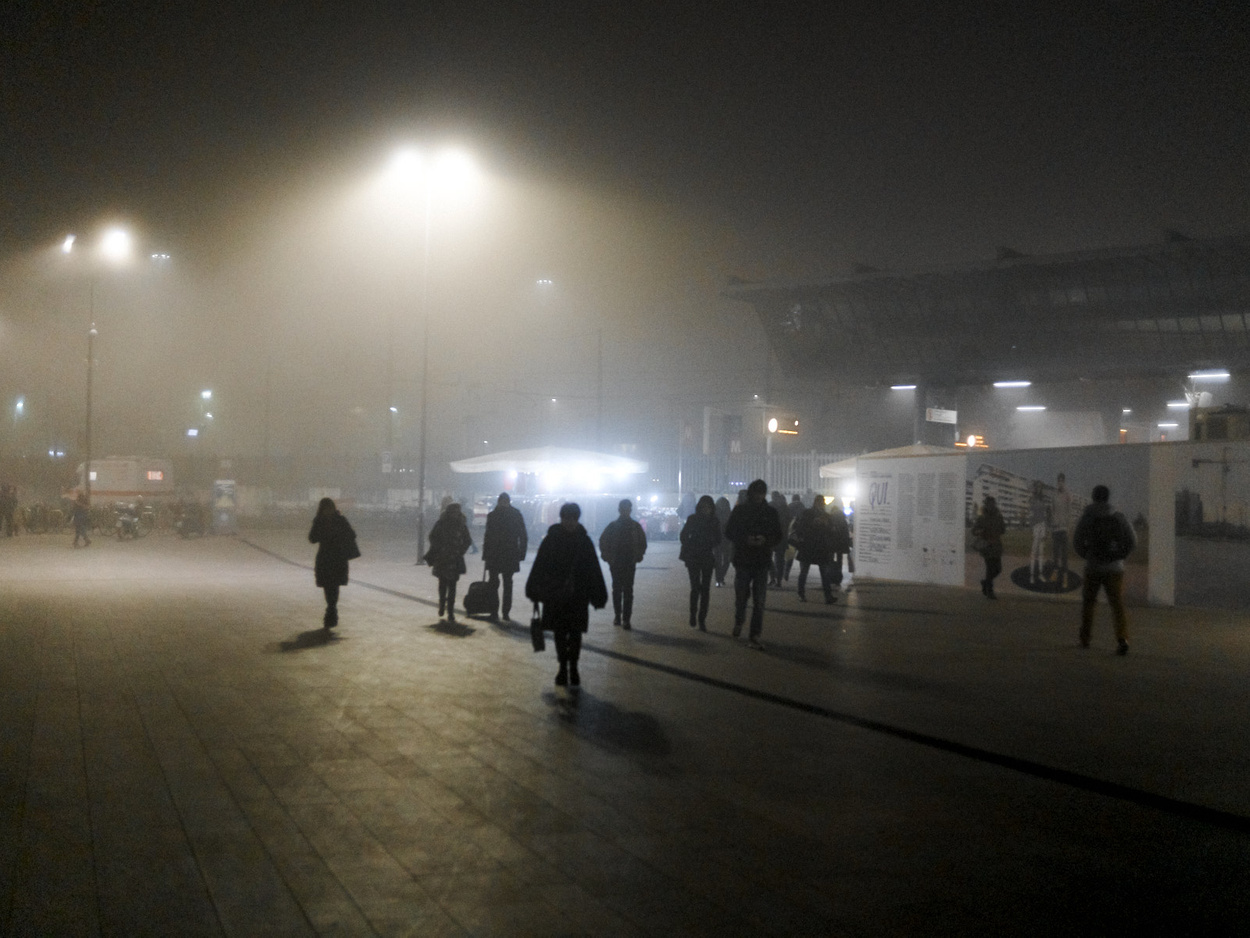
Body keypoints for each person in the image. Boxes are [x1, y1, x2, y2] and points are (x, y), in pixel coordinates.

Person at [526, 502, 608, 687]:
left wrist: (598, 594)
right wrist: (534, 589)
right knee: (561, 633)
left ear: (577, 519)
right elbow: (540, 566)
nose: (570, 522)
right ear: (562, 518)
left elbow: (593, 570)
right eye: (567, 518)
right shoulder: (558, 540)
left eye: (572, 519)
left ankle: (572, 667)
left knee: (575, 633)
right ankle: (564, 667)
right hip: (558, 595)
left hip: (575, 595)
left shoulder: (572, 540)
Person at [1073, 484, 1137, 655]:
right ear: (1108, 498)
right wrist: (1120, 556)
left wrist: (1087, 555)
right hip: (1115, 568)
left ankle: (1085, 639)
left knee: (1089, 604)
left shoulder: (1087, 517)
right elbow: (1132, 540)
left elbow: (1077, 541)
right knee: (1117, 605)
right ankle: (1122, 639)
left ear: (1093, 497)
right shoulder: (1119, 516)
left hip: (1093, 567)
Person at [724, 479, 784, 649]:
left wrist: (765, 540)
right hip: (744, 560)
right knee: (741, 596)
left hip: (761, 560)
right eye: (756, 493)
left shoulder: (770, 512)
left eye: (762, 493)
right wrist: (746, 539)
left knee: (759, 600)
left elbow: (778, 535)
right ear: (751, 493)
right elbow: (729, 531)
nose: (759, 496)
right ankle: (739, 620)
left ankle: (755, 634)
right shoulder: (740, 510)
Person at [308, 497, 358, 628]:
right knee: (327, 585)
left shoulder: (340, 520)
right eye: (325, 508)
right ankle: (331, 609)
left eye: (329, 508)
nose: (327, 511)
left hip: (336, 557)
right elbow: (312, 538)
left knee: (334, 585)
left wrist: (336, 535)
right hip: (326, 558)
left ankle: (331, 609)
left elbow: (352, 534)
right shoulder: (320, 521)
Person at [599, 498, 647, 629]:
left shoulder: (632, 526)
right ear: (620, 510)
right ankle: (619, 616)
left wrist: (638, 555)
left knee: (625, 590)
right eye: (624, 509)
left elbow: (643, 543)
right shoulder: (616, 526)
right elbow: (603, 541)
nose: (626, 511)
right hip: (617, 562)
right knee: (620, 590)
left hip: (627, 562)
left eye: (627, 509)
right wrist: (607, 557)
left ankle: (624, 618)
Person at [481, 492, 528, 622]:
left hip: (495, 554)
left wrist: (486, 554)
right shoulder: (516, 514)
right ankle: (504, 612)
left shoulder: (493, 515)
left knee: (494, 583)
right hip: (509, 553)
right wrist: (521, 553)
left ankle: (495, 611)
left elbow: (488, 536)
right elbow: (523, 535)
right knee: (507, 583)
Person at [425, 502, 474, 623]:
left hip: (454, 558)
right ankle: (442, 604)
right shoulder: (441, 524)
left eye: (457, 512)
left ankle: (450, 611)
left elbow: (467, 540)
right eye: (453, 511)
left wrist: (460, 551)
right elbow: (432, 537)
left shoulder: (461, 525)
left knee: (452, 586)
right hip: (443, 557)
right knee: (442, 583)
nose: (455, 514)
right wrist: (440, 547)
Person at [679, 495, 721, 629]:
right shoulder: (699, 520)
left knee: (704, 589)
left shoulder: (712, 521)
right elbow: (684, 535)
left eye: (708, 507)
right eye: (704, 507)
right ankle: (694, 614)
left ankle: (701, 618)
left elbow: (718, 538)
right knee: (696, 587)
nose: (706, 510)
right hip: (696, 557)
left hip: (704, 557)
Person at [792, 495, 836, 603]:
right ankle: (825, 596)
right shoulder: (813, 514)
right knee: (810, 572)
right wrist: (815, 524)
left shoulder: (813, 514)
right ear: (818, 503)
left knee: (809, 572)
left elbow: (831, 530)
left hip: (812, 547)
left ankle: (824, 595)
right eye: (821, 503)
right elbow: (800, 528)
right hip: (814, 546)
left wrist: (826, 526)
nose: (822, 505)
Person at [971, 495, 1006, 599]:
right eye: (988, 504)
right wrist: (979, 531)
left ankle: (985, 583)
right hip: (987, 546)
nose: (990, 506)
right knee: (990, 569)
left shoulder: (999, 517)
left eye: (992, 504)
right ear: (986, 505)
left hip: (996, 545)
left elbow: (1003, 530)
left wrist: (999, 529)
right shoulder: (982, 518)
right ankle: (989, 591)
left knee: (998, 569)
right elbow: (973, 531)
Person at [1050, 472, 1073, 587]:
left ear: (1064, 481)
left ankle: (1064, 577)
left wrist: (1068, 527)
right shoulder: (1054, 494)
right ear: (1057, 482)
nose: (1060, 483)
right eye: (1058, 481)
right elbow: (1052, 510)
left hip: (1064, 529)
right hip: (1055, 529)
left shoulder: (1068, 494)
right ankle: (1055, 573)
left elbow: (1069, 512)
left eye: (1062, 481)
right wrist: (1053, 525)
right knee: (1055, 554)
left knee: (1064, 555)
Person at [828, 496, 852, 593]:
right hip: (841, 544)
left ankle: (831, 577)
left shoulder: (830, 518)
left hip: (831, 543)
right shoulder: (843, 519)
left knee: (830, 560)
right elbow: (846, 533)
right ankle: (838, 578)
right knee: (839, 560)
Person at [1028, 480, 1049, 585]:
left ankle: (1040, 574)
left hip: (1042, 526)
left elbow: (1045, 515)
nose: (1040, 488)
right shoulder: (1032, 499)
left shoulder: (1043, 499)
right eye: (1038, 487)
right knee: (1034, 552)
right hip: (1036, 527)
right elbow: (1031, 515)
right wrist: (1032, 529)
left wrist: (1045, 530)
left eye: (1041, 487)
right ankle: (1032, 575)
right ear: (1036, 488)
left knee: (1041, 552)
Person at [768, 491, 791, 587]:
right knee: (780, 559)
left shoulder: (770, 506)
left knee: (768, 558)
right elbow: (789, 520)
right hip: (782, 536)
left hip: (771, 535)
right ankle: (779, 580)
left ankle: (772, 577)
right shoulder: (785, 507)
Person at [712, 496, 733, 587]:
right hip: (726, 540)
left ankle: (719, 578)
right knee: (726, 560)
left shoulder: (714, 514)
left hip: (718, 540)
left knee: (719, 560)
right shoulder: (730, 514)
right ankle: (720, 577)